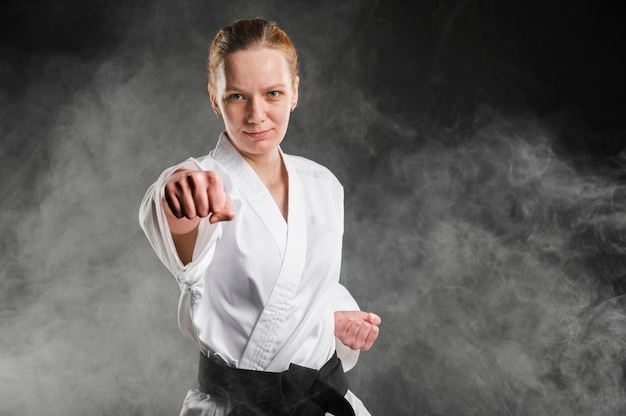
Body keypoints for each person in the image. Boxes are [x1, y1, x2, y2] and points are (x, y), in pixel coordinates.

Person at [139, 17, 381, 416]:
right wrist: (177, 188)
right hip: (237, 407)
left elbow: (304, 287)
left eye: (272, 93)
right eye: (236, 96)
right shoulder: (204, 183)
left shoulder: (324, 184)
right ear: (215, 99)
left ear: (294, 93)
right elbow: (173, 207)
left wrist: (331, 319)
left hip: (323, 403)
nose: (256, 114)